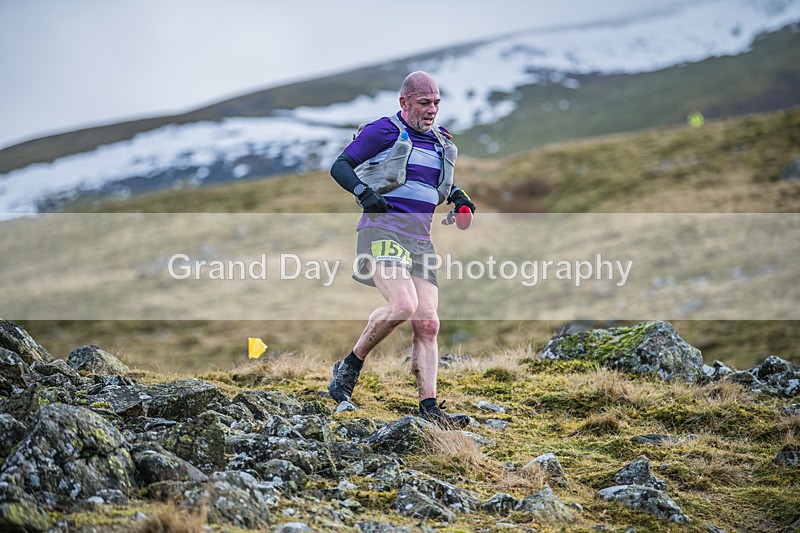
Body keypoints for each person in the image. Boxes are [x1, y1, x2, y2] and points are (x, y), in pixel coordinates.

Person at [327, 71, 476, 429]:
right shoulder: (384, 130)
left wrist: (460, 199)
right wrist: (364, 193)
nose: (432, 110)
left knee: (428, 322)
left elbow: (438, 185)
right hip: (381, 231)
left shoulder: (440, 142)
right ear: (404, 102)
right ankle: (349, 366)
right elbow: (340, 165)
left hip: (420, 240)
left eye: (437, 103)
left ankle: (430, 408)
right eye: (425, 103)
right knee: (404, 305)